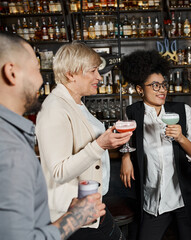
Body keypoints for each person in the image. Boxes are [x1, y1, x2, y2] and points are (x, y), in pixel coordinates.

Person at [0, 32, 106, 240]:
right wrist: (74, 218)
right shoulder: (10, 149)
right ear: (11, 73)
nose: (41, 79)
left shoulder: (11, 132)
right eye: (37, 69)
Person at [35, 42, 132, 240]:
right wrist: (101, 144)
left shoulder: (76, 103)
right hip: (71, 211)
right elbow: (59, 172)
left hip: (91, 205)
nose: (99, 76)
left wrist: (108, 136)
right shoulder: (54, 109)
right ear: (71, 74)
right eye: (93, 70)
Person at [119, 50, 191, 240]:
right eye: (154, 85)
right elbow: (123, 138)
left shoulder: (183, 111)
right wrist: (126, 157)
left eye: (163, 85)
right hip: (153, 199)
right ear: (139, 89)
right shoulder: (132, 113)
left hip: (183, 197)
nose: (161, 90)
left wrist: (181, 138)